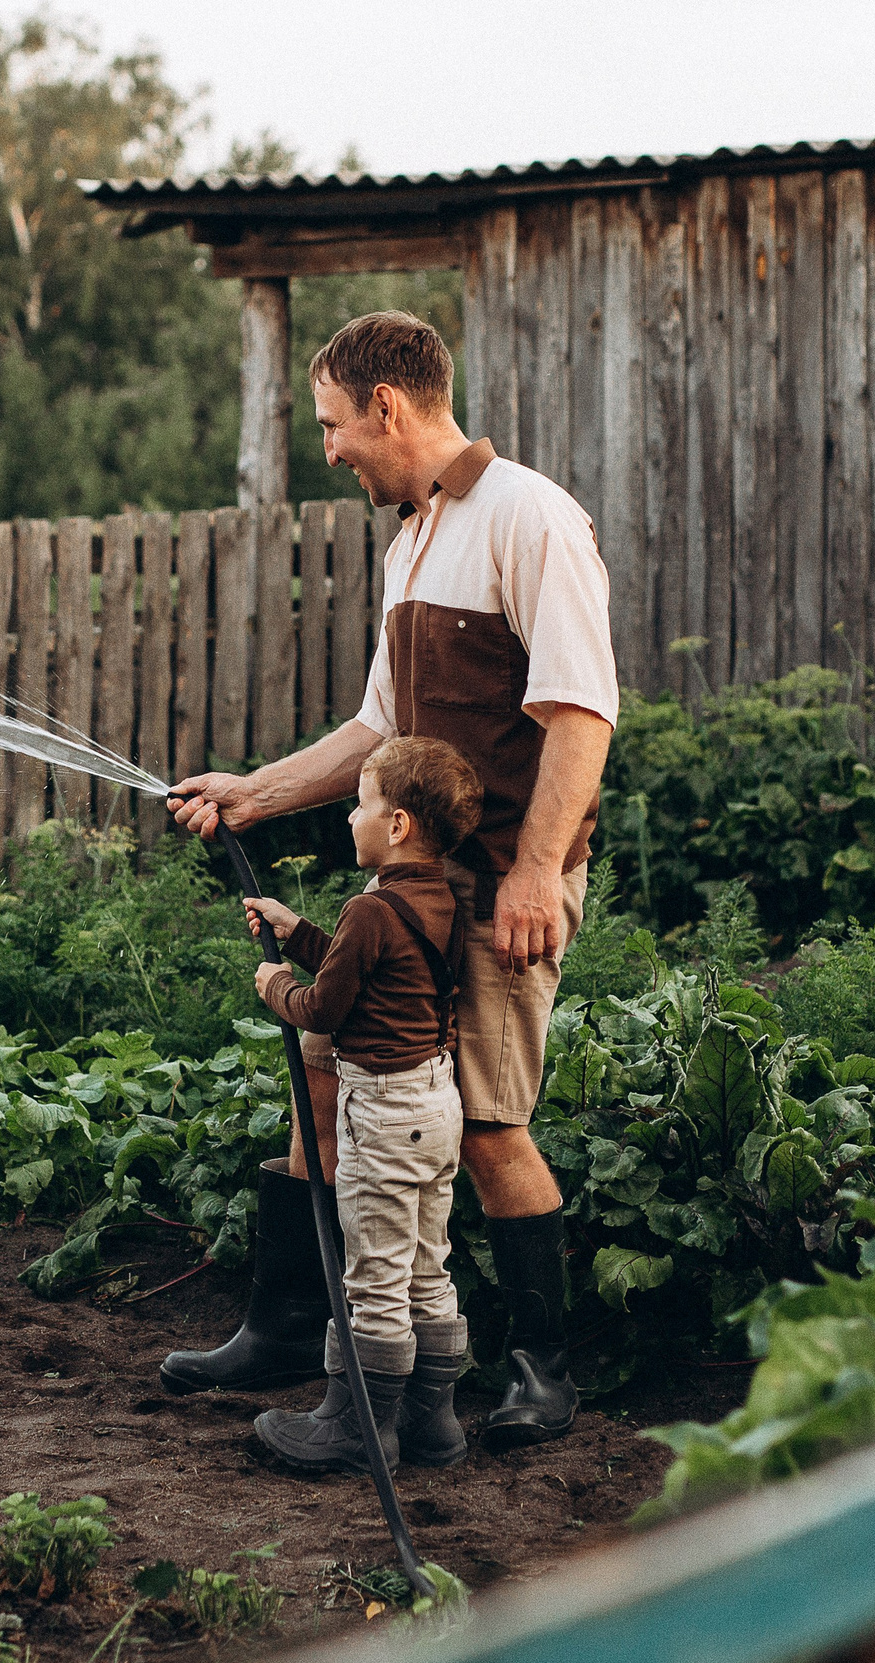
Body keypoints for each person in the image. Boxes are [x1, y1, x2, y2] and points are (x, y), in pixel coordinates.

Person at [164, 310, 618, 1451]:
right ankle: (284, 1324)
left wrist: (534, 873)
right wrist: (256, 792)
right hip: (412, 888)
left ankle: (543, 1372)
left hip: (500, 889)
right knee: (322, 1080)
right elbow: (377, 729)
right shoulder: (412, 541)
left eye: (332, 425)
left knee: (488, 1123)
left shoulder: (529, 518)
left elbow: (581, 716)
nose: (329, 451)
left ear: (387, 406)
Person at [240, 737, 479, 1472]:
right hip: (436, 1105)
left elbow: (324, 1007)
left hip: (381, 1115)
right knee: (426, 1268)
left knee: (373, 1276)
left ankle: (356, 1429)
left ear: (398, 824)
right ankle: (432, 1423)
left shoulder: (370, 909)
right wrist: (299, 933)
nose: (351, 818)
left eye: (361, 804)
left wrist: (274, 985)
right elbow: (377, 971)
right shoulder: (442, 899)